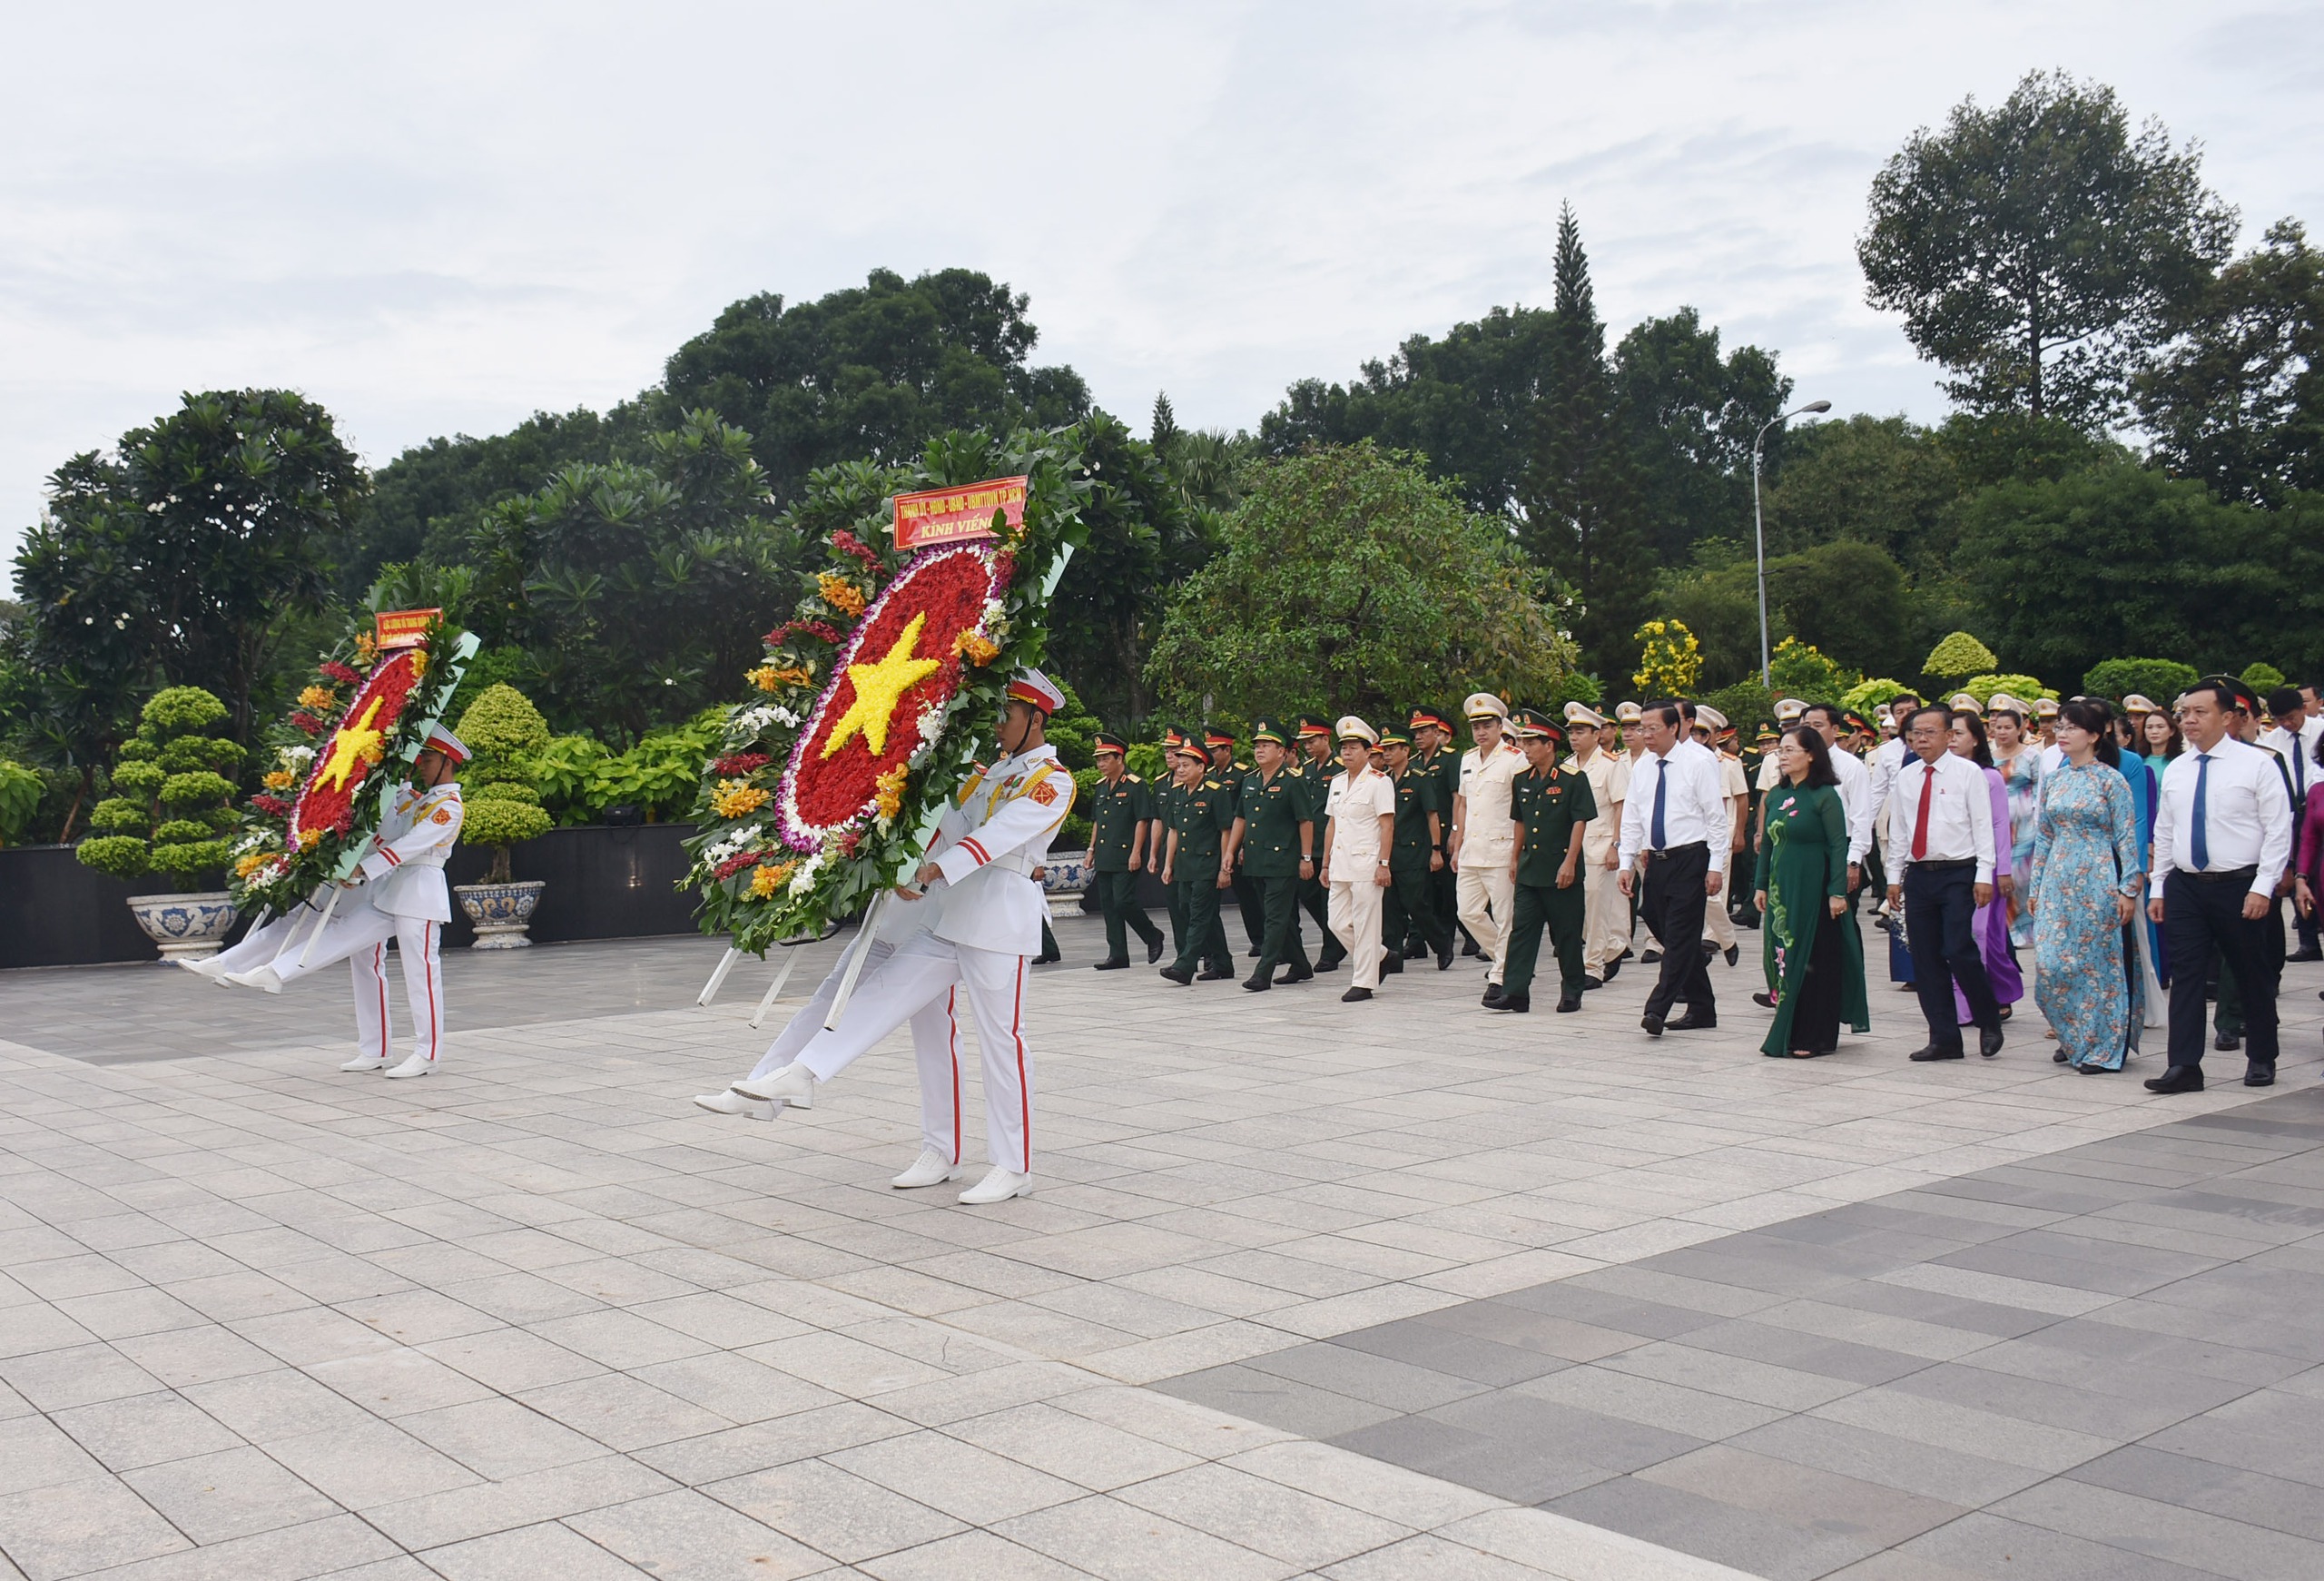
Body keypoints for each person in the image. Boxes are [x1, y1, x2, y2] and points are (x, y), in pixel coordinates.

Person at [729, 669, 1076, 1204]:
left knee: (1002, 1044)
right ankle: (805, 1073)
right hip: (950, 916)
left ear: (1036, 718)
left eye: (1007, 713)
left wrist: (934, 871)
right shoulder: (989, 773)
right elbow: (948, 824)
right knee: (884, 993)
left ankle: (1014, 1166)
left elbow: (994, 838)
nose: (998, 723)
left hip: (1000, 923)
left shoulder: (1051, 780)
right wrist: (905, 861)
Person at [217, 730, 470, 1080]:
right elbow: (388, 833)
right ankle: (277, 974)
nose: (421, 766)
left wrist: (365, 869)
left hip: (420, 894)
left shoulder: (448, 808)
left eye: (427, 761)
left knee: (421, 974)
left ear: (448, 763)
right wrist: (392, 789)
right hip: (389, 890)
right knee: (340, 934)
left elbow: (411, 846)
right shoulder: (417, 800)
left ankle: (427, 1053)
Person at [2144, 677, 2294, 1094]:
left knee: (2250, 972)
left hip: (2239, 883)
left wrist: (2263, 886)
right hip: (2188, 885)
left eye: (2199, 712)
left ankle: (2262, 1055)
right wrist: (2160, 887)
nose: (2189, 721)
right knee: (2188, 975)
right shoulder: (2178, 768)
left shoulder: (2257, 764)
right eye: (2184, 714)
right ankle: (2185, 1065)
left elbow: (2278, 829)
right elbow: (2166, 830)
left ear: (2228, 717)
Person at [2029, 697, 2146, 1073]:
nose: (2061, 734)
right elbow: (2044, 836)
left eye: (2071, 728)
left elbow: (2127, 839)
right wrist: (2035, 886)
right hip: (2057, 877)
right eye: (2059, 727)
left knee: (2096, 965)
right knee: (2051, 965)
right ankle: (2072, 1032)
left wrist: (2128, 889)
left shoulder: (2112, 780)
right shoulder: (2056, 779)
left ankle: (2101, 1045)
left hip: (2097, 877)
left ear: (2095, 735)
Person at [1885, 704, 2004, 1062]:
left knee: (1957, 948)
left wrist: (1985, 875)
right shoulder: (1907, 776)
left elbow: (1984, 827)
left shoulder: (1968, 773)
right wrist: (1894, 878)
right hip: (1920, 874)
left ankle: (1988, 1018)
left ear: (1950, 735)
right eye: (1915, 734)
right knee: (1925, 958)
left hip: (1959, 872)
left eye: (1929, 732)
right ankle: (1944, 1037)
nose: (1921, 740)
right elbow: (1901, 831)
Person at [1755, 725, 1866, 1058]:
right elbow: (1767, 845)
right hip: (1781, 891)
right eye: (1781, 751)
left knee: (1814, 960)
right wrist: (1759, 885)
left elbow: (1836, 846)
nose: (1782, 756)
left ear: (1811, 755)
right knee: (1784, 956)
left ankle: (1815, 1035)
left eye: (1790, 750)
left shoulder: (1825, 796)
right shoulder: (1776, 795)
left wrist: (1836, 892)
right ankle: (1788, 1027)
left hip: (1813, 890)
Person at [1618, 699, 1727, 1035]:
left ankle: (1657, 1009)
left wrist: (1716, 866)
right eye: (1641, 728)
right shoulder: (1644, 766)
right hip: (1657, 859)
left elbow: (1716, 818)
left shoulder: (1699, 761)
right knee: (1659, 921)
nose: (1645, 735)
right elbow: (1632, 815)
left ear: (1674, 728)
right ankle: (1702, 1007)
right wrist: (1626, 861)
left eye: (1653, 729)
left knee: (1679, 935)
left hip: (1691, 857)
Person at [1487, 709, 1595, 1013]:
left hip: (1561, 869)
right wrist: (1513, 859)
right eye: (1524, 742)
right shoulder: (1522, 779)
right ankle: (1515, 991)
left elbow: (1579, 822)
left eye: (1532, 742)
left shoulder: (1574, 779)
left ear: (1549, 745)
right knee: (1522, 931)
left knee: (1567, 934)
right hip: (1530, 869)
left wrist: (1570, 862)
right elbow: (1519, 821)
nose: (1526, 748)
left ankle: (1572, 989)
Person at [1947, 709, 2024, 1026]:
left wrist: (2002, 870)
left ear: (1976, 738)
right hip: (1955, 866)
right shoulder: (1945, 774)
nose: (1952, 739)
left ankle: (1992, 997)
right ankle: (1964, 1004)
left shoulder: (1989, 776)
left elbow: (1998, 825)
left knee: (1983, 935)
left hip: (1987, 867)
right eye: (1948, 733)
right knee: (1959, 934)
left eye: (1959, 734)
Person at [1229, 717, 1315, 991]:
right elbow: (1241, 819)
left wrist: (1305, 857)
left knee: (1275, 918)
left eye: (1267, 745)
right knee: (1277, 916)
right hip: (1255, 860)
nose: (1260, 750)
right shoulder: (1250, 781)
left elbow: (1305, 821)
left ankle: (1263, 972)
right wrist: (1232, 850)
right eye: (1257, 745)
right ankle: (1300, 964)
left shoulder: (1293, 781)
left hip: (1282, 861)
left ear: (1282, 751)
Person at [1452, 694, 1525, 992]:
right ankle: (1510, 960)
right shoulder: (1468, 759)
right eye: (1476, 726)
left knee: (1505, 916)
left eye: (1487, 725)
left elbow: (1522, 809)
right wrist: (1457, 845)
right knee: (1467, 912)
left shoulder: (1514, 759)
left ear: (1499, 727)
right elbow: (1463, 804)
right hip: (1472, 849)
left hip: (1501, 848)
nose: (1481, 732)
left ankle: (1501, 975)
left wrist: (1517, 854)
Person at [1320, 716, 1396, 1002]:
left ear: (1368, 752)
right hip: (1340, 863)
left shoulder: (1379, 782)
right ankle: (1382, 956)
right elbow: (1331, 824)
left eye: (1354, 748)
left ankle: (1364, 982)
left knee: (1366, 924)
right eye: (1344, 748)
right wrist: (1325, 863)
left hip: (1367, 863)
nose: (1347, 753)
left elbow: (1387, 825)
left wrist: (1383, 864)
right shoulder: (1337, 783)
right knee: (1337, 923)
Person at [1157, 737, 1236, 984]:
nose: (1180, 770)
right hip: (1184, 866)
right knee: (1197, 912)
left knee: (1199, 915)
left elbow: (1226, 831)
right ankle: (1223, 963)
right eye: (1178, 766)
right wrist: (1168, 864)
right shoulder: (1176, 793)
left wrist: (1225, 867)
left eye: (1186, 766)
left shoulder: (1216, 792)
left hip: (1207, 866)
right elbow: (1173, 831)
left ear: (1201, 767)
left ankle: (1185, 965)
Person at [1085, 730, 1165, 969]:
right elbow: (1098, 821)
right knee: (1108, 905)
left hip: (1125, 854)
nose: (1101, 764)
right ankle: (1117, 953)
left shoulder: (1135, 785)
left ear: (1120, 758)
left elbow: (1142, 820)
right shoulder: (1100, 787)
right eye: (1098, 759)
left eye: (1105, 759)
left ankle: (1152, 935)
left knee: (1123, 901)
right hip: (1105, 853)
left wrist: (1136, 852)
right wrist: (1091, 849)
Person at [1563, 702, 1629, 987]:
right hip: (1573, 848)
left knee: (1596, 907)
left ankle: (1593, 967)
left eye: (1580, 732)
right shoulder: (1565, 766)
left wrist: (1616, 845)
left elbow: (1620, 807)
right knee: (1581, 909)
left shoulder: (1610, 765)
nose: (1574, 737)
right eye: (1571, 732)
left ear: (1596, 733)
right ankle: (1612, 948)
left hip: (1601, 845)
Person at [1381, 721, 1454, 971]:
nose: (1387, 754)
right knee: (1389, 909)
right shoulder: (1382, 780)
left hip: (1413, 852)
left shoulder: (1420, 779)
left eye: (1392, 749)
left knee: (1417, 904)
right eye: (1384, 750)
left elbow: (1432, 815)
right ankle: (1393, 956)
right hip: (1388, 854)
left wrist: (1436, 849)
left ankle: (1442, 943)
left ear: (1405, 750)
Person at [2260, 687, 2322, 962]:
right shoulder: (2272, 741)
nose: (2287, 724)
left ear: (2303, 710)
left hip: (2318, 808)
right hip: (2291, 814)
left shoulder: (2321, 730)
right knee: (2296, 873)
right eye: (2280, 719)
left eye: (2291, 717)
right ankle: (2308, 940)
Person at [1986, 695, 2044, 953]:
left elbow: (2040, 790)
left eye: (2008, 727)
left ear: (2020, 729)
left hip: (2024, 822)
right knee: (1999, 873)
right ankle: (2003, 927)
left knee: (2021, 874)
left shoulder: (2032, 756)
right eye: (1998, 727)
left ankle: (2024, 928)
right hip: (1995, 822)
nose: (2002, 732)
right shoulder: (1987, 756)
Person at [1692, 706, 1749, 967]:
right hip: (1692, 836)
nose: (1696, 738)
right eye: (1691, 732)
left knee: (1713, 892)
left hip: (1720, 834)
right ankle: (1720, 937)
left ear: (1715, 734)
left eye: (1701, 733)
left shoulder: (1728, 763)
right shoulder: (1686, 761)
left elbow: (1740, 798)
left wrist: (1738, 833)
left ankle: (1716, 937)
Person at [1407, 707, 1466, 957]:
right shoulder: (1412, 763)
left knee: (1449, 890)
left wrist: (1454, 831)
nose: (1418, 737)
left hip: (1444, 831)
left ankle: (1458, 936)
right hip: (1420, 837)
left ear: (1436, 731)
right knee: (1421, 891)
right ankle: (1417, 940)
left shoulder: (1451, 758)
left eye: (1423, 731)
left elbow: (1457, 797)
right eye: (1415, 732)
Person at [1293, 715, 1346, 971]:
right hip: (1310, 845)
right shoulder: (1307, 768)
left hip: (1333, 843)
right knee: (1308, 894)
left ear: (1325, 739)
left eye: (1312, 740)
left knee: (1329, 901)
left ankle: (1331, 952)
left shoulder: (1340, 767)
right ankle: (1338, 940)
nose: (1308, 746)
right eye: (1304, 742)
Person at [1206, 727, 1263, 955]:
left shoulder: (1244, 774)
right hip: (1217, 843)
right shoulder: (1209, 775)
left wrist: (1242, 845)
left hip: (1238, 842)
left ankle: (1262, 938)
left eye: (1214, 750)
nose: (1210, 754)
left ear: (1227, 750)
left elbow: (1246, 813)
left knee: (1250, 895)